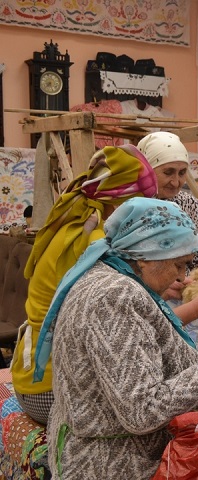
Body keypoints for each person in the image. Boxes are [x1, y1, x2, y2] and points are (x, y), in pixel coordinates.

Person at [38, 197, 198, 478]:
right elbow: (142, 410)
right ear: (145, 256)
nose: (183, 276)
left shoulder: (109, 274)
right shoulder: (115, 296)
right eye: (178, 265)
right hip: (113, 466)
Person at [10, 145, 158, 424]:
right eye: (139, 206)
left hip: (29, 380)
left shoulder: (77, 223)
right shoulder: (94, 242)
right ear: (120, 201)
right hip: (50, 390)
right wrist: (192, 311)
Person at [137, 131, 198, 272]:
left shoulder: (191, 205)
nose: (176, 182)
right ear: (147, 170)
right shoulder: (132, 206)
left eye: (182, 173)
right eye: (168, 172)